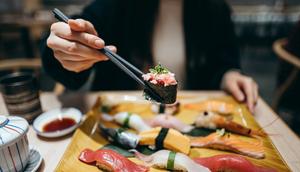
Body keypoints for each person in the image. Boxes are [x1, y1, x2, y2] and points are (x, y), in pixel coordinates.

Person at [41, 0, 259, 112]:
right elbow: (79, 30)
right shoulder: (117, 5)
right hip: (123, 116)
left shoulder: (215, 9)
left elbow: (224, 61)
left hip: (188, 114)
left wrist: (229, 75)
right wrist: (68, 50)